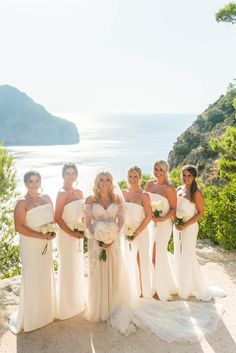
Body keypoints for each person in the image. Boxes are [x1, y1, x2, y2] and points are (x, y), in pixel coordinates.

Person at [9, 171, 57, 334]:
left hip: (46, 244)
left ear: (41, 182)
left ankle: (45, 313)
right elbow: (19, 227)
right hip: (31, 246)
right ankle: (32, 317)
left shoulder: (47, 198)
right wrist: (40, 236)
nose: (34, 184)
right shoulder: (22, 203)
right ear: (25, 183)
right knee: (32, 277)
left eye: (37, 181)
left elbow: (52, 220)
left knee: (44, 276)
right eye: (31, 181)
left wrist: (52, 232)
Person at [174, 165, 225, 300]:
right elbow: (174, 208)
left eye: (189, 176)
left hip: (189, 228)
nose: (186, 178)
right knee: (178, 253)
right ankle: (181, 282)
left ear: (194, 177)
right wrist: (175, 221)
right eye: (184, 175)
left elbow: (201, 213)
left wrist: (184, 224)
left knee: (187, 254)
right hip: (178, 227)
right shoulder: (178, 189)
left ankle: (189, 286)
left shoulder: (196, 193)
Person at [55, 163, 86, 320]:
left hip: (77, 234)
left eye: (73, 173)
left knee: (77, 265)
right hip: (66, 235)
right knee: (67, 266)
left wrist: (82, 230)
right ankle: (66, 305)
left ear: (76, 175)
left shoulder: (80, 192)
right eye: (67, 173)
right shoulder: (61, 194)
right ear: (63, 175)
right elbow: (57, 218)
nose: (70, 176)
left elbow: (83, 214)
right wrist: (72, 233)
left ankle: (77, 300)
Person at [145, 160, 177, 301]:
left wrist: (162, 219)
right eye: (156, 169)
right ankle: (156, 284)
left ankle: (160, 288)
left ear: (166, 171)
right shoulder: (149, 184)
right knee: (152, 253)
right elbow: (144, 202)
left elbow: (174, 209)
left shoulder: (169, 188)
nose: (158, 172)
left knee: (157, 254)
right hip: (151, 224)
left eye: (161, 170)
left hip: (164, 225)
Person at [122, 166, 152, 298]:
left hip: (141, 231)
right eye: (130, 176)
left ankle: (144, 291)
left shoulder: (144, 195)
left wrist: (137, 232)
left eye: (135, 176)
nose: (132, 179)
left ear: (140, 177)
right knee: (128, 259)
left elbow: (149, 216)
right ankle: (131, 290)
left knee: (141, 260)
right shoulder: (122, 193)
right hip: (125, 232)